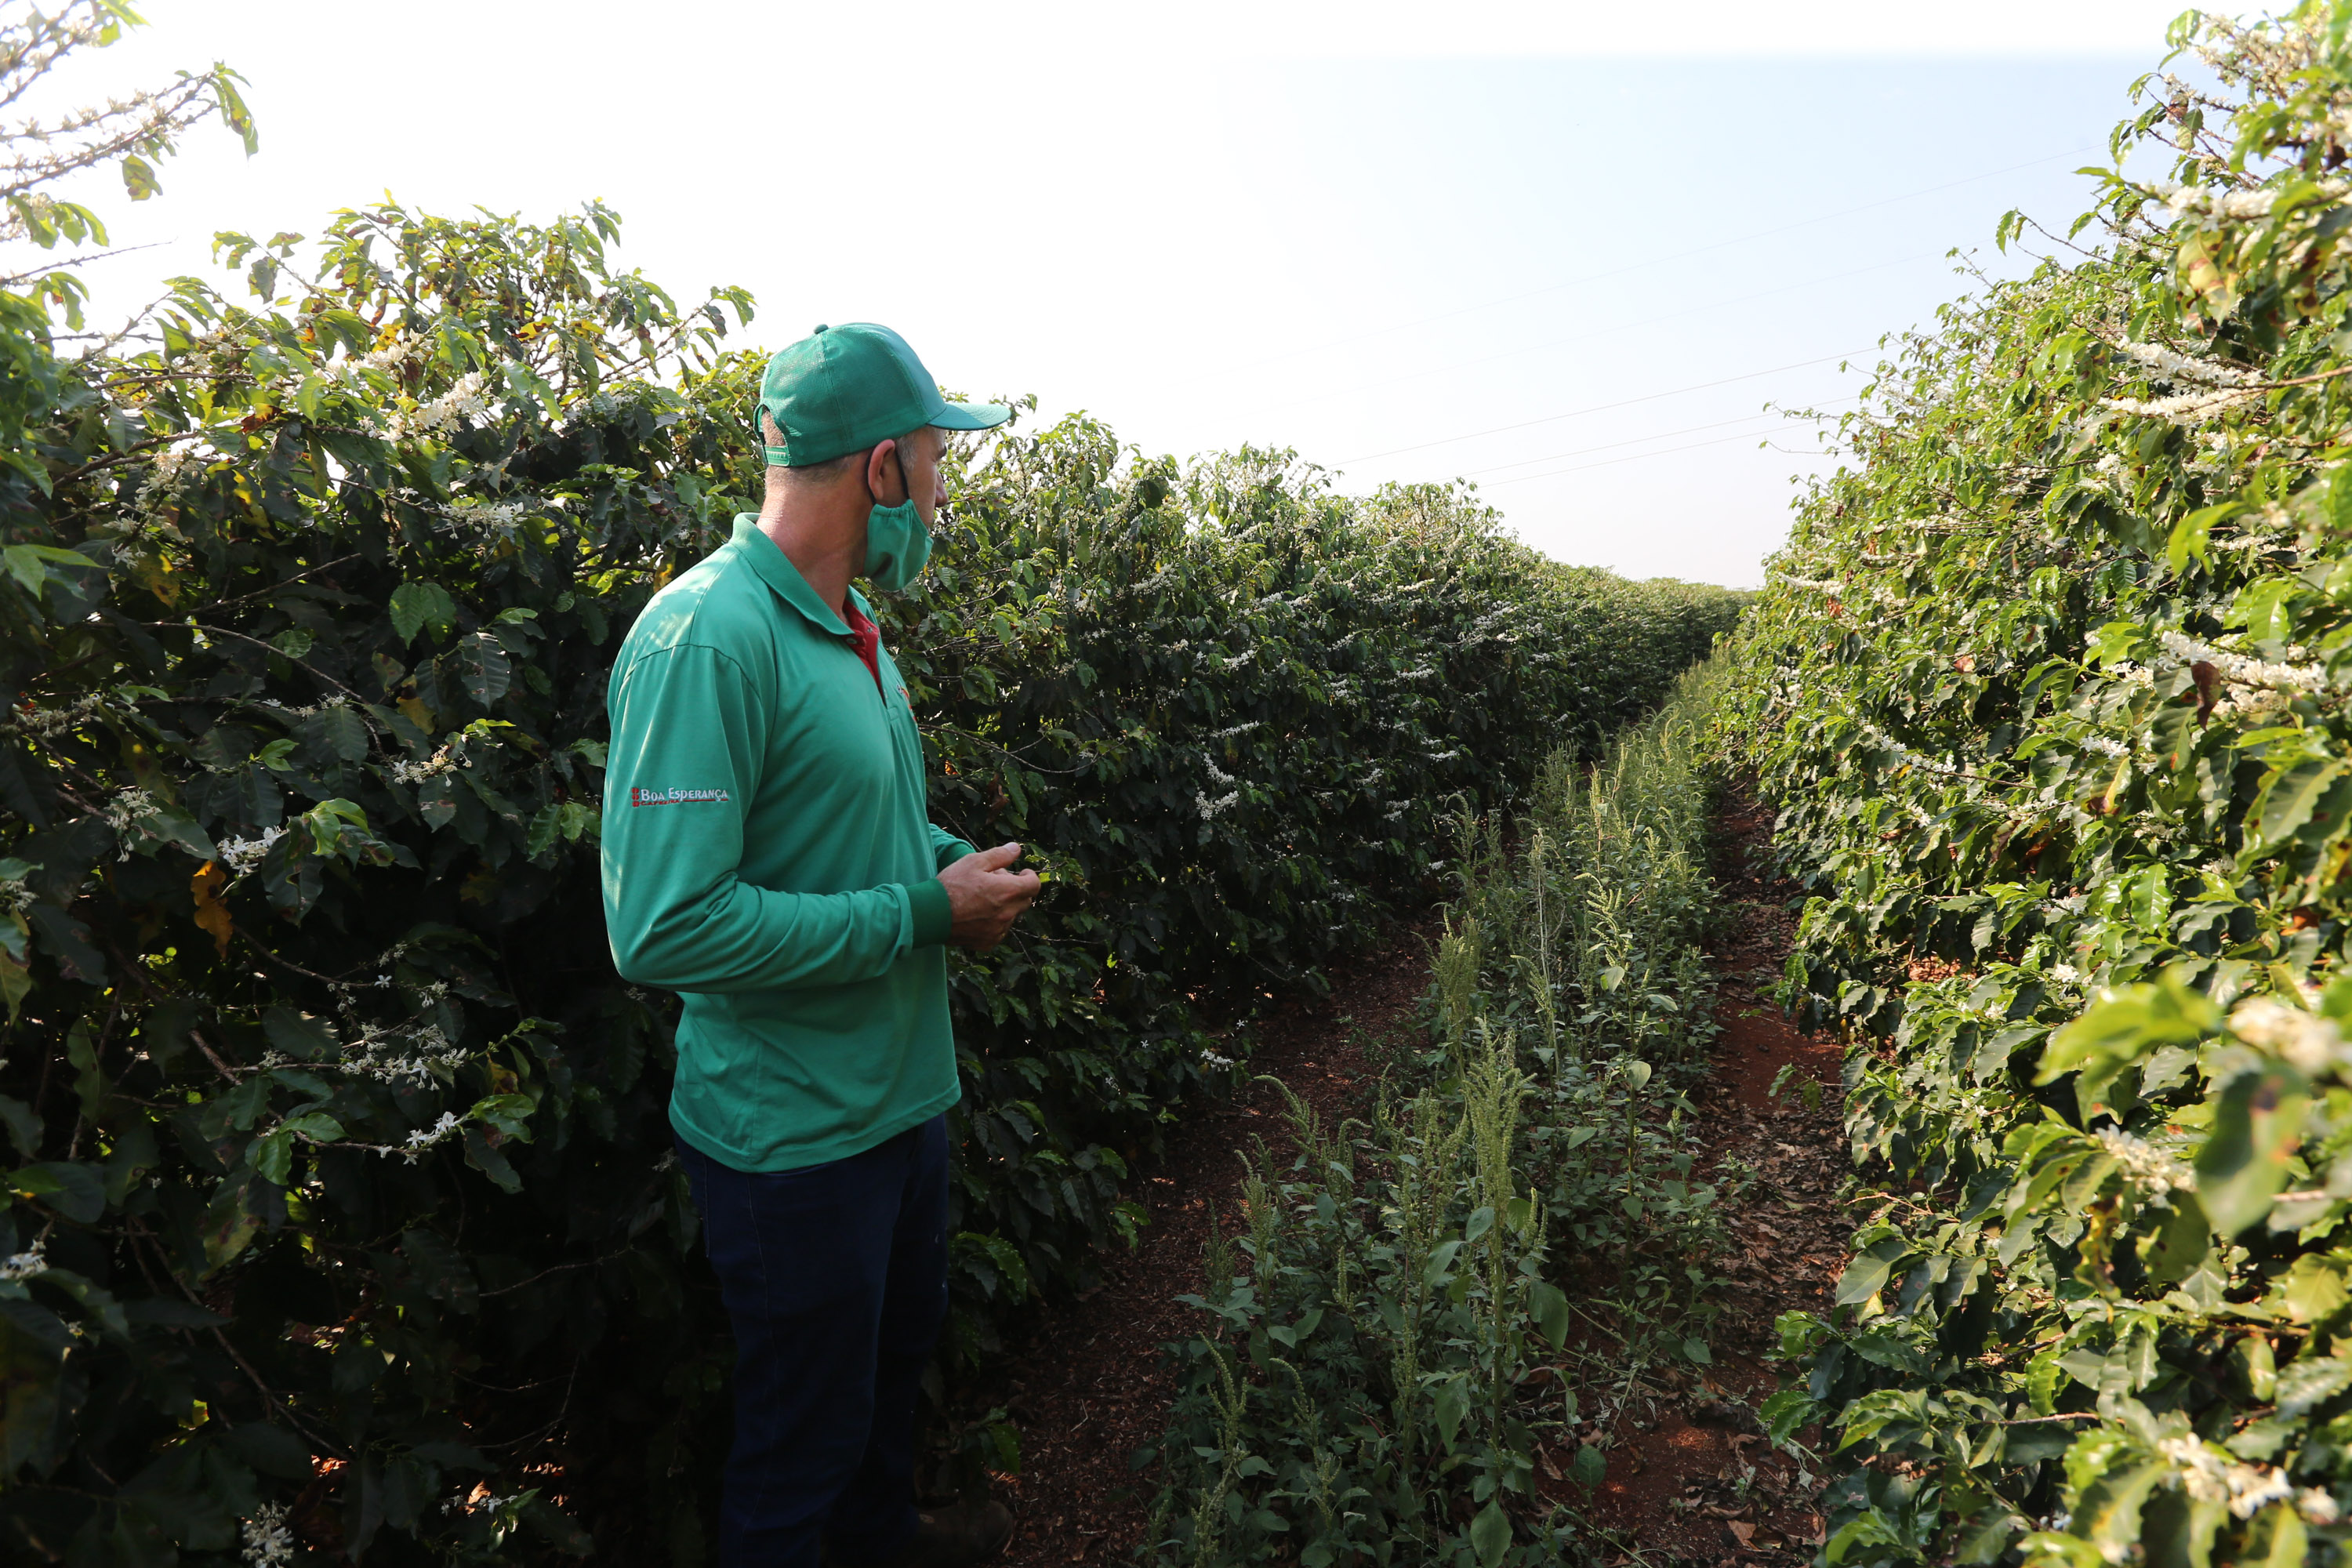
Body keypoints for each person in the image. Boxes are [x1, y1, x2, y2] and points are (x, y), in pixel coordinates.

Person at [601, 322, 1041, 1568]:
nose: (944, 492)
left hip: (898, 1104)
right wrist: (924, 914)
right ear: (881, 472)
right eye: (934, 461)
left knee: (883, 1386)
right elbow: (666, 923)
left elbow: (847, 827)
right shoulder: (707, 637)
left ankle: (889, 1539)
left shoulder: (851, 629)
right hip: (792, 1144)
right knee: (798, 1447)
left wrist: (952, 865)